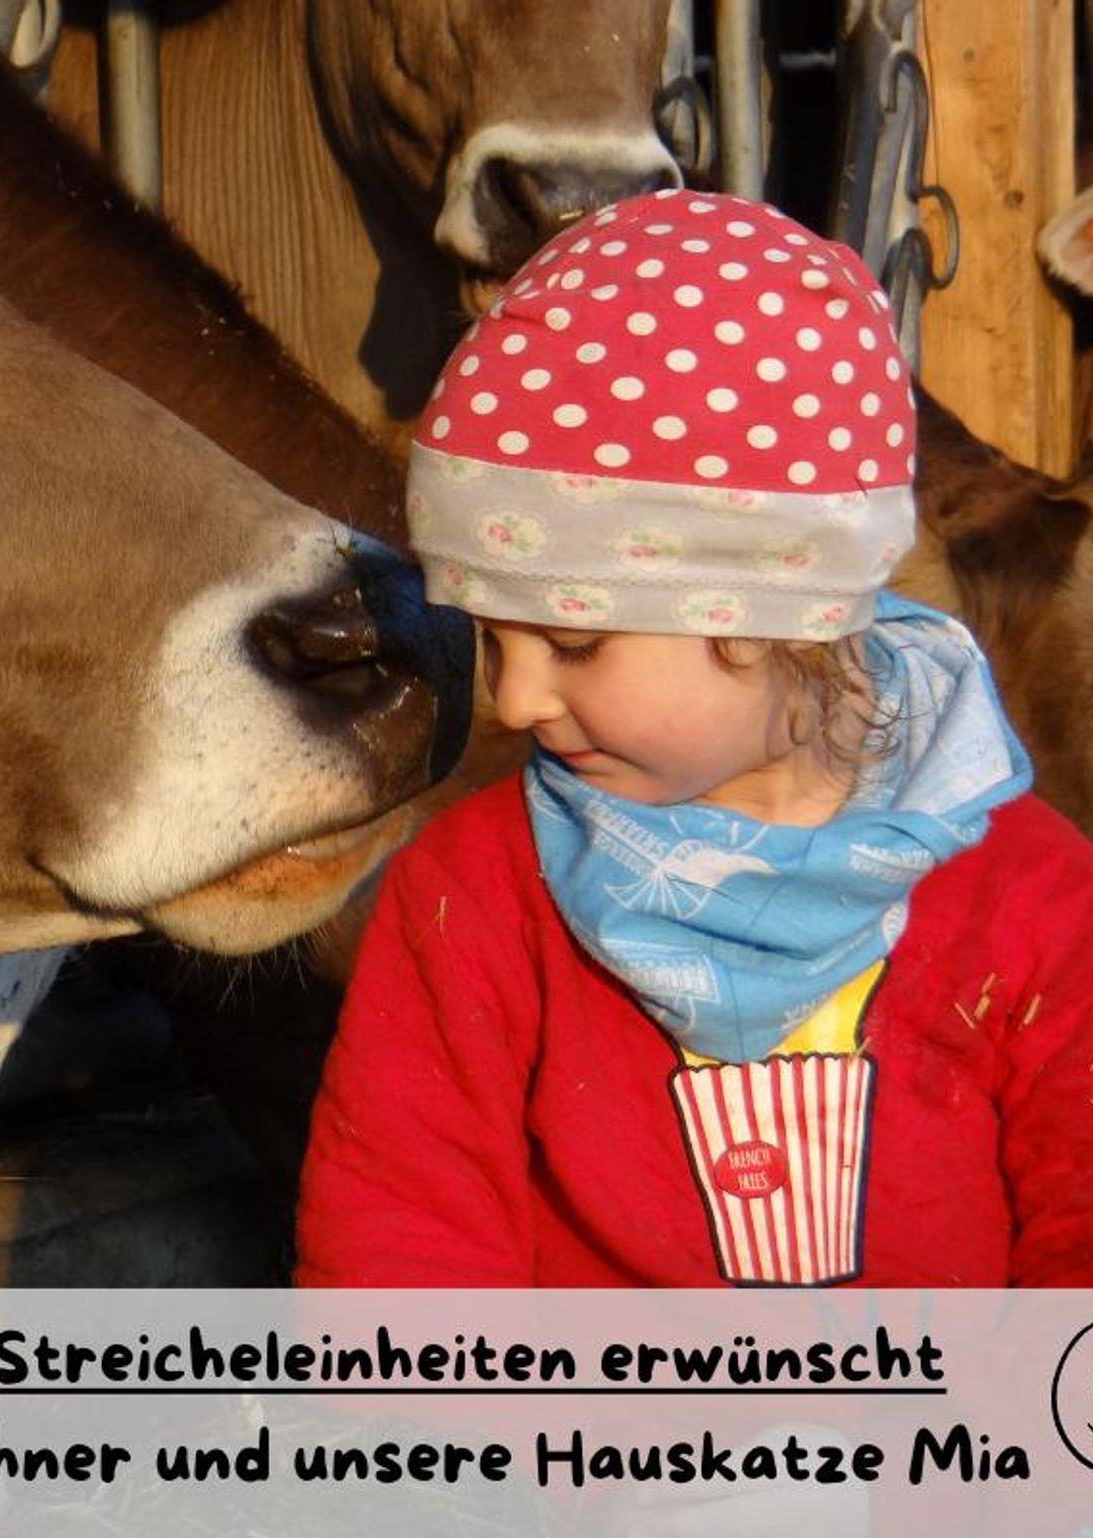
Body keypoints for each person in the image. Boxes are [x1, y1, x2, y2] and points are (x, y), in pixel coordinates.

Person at [296, 190, 1093, 1287]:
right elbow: (398, 1244)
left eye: (572, 641)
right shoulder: (474, 898)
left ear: (780, 615)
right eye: (490, 638)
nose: (515, 701)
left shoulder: (1031, 899)